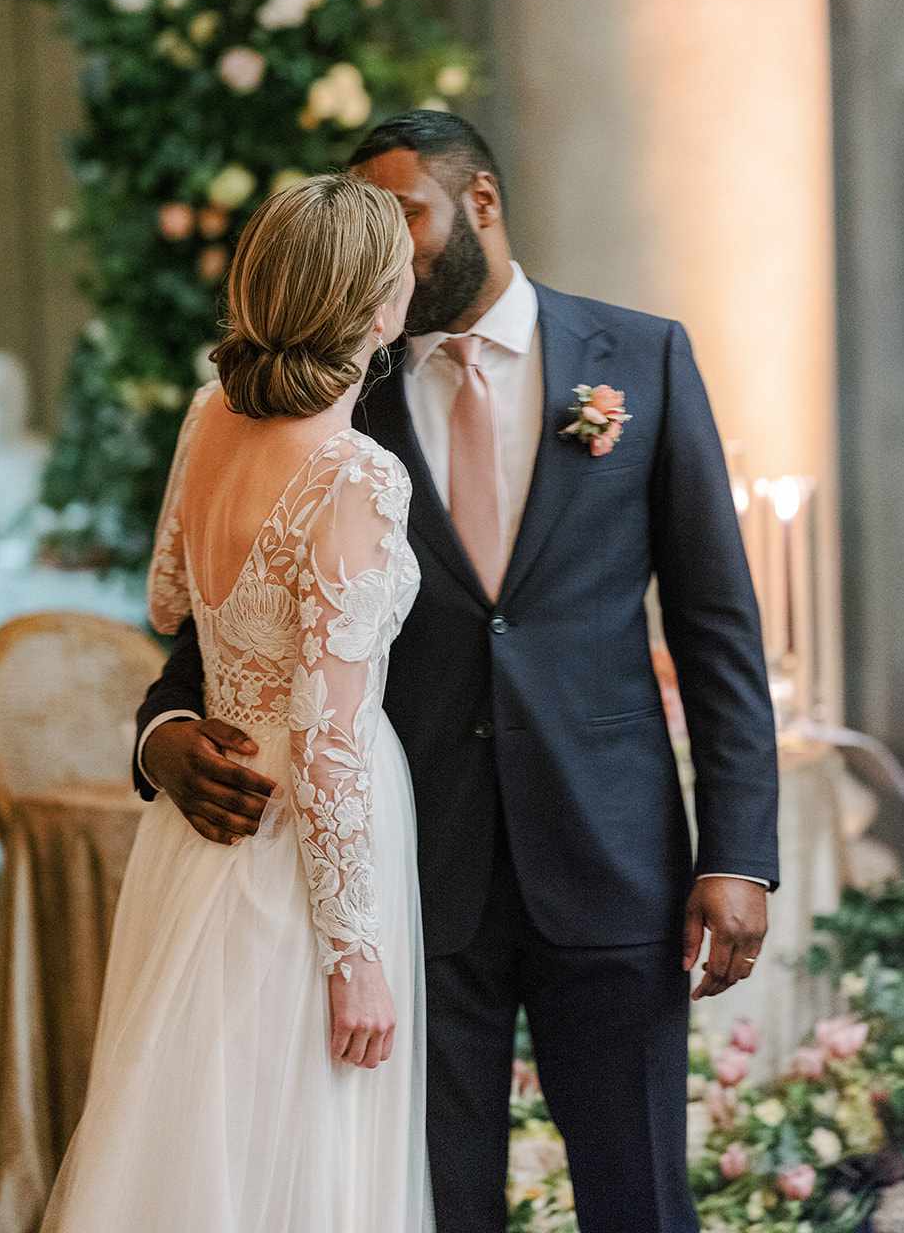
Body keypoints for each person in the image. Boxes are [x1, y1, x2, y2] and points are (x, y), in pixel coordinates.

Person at [135, 110, 781, 1233]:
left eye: (410, 216)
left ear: (479, 200)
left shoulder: (643, 358)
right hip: (412, 871)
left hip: (610, 854)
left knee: (641, 1195)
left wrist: (741, 852)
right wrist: (163, 734)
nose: (395, 248)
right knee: (438, 1201)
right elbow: (210, 623)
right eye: (372, 224)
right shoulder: (337, 391)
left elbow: (718, 625)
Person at [43, 175, 432, 1232]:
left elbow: (170, 594)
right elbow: (330, 744)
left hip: (203, 816)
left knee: (195, 1124)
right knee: (301, 1140)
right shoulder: (357, 474)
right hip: (301, 844)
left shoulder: (209, 412)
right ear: (378, 302)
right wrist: (357, 957)